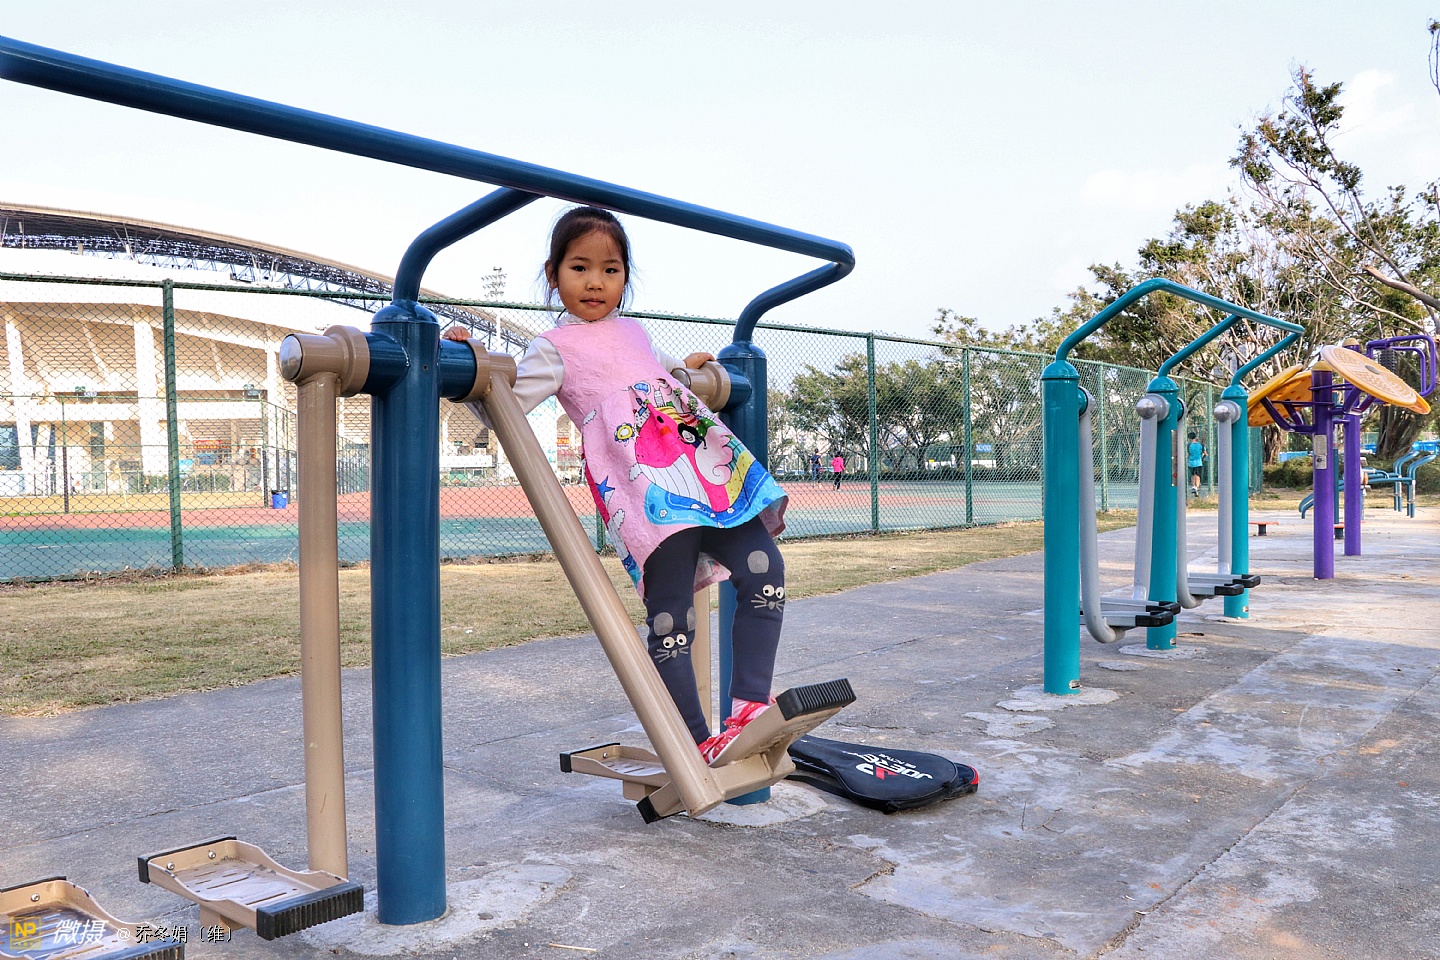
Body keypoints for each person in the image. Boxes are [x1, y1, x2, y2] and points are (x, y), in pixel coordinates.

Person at [445, 206, 789, 765]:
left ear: (626, 278)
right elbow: (501, 409)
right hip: (645, 491)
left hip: (707, 472)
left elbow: (671, 375)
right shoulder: (553, 348)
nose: (595, 282)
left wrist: (692, 367)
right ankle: (695, 742)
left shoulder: (636, 332)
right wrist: (465, 360)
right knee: (671, 616)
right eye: (579, 267)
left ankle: (750, 704)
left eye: (610, 270)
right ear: (553, 274)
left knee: (764, 568)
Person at [1187, 432, 1206, 497]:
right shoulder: (1201, 445)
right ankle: (1196, 488)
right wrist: (1202, 458)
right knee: (1198, 475)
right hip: (1199, 462)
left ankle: (1194, 486)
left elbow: (1188, 454)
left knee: (1193, 475)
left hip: (1191, 462)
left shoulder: (1189, 445)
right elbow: (1205, 454)